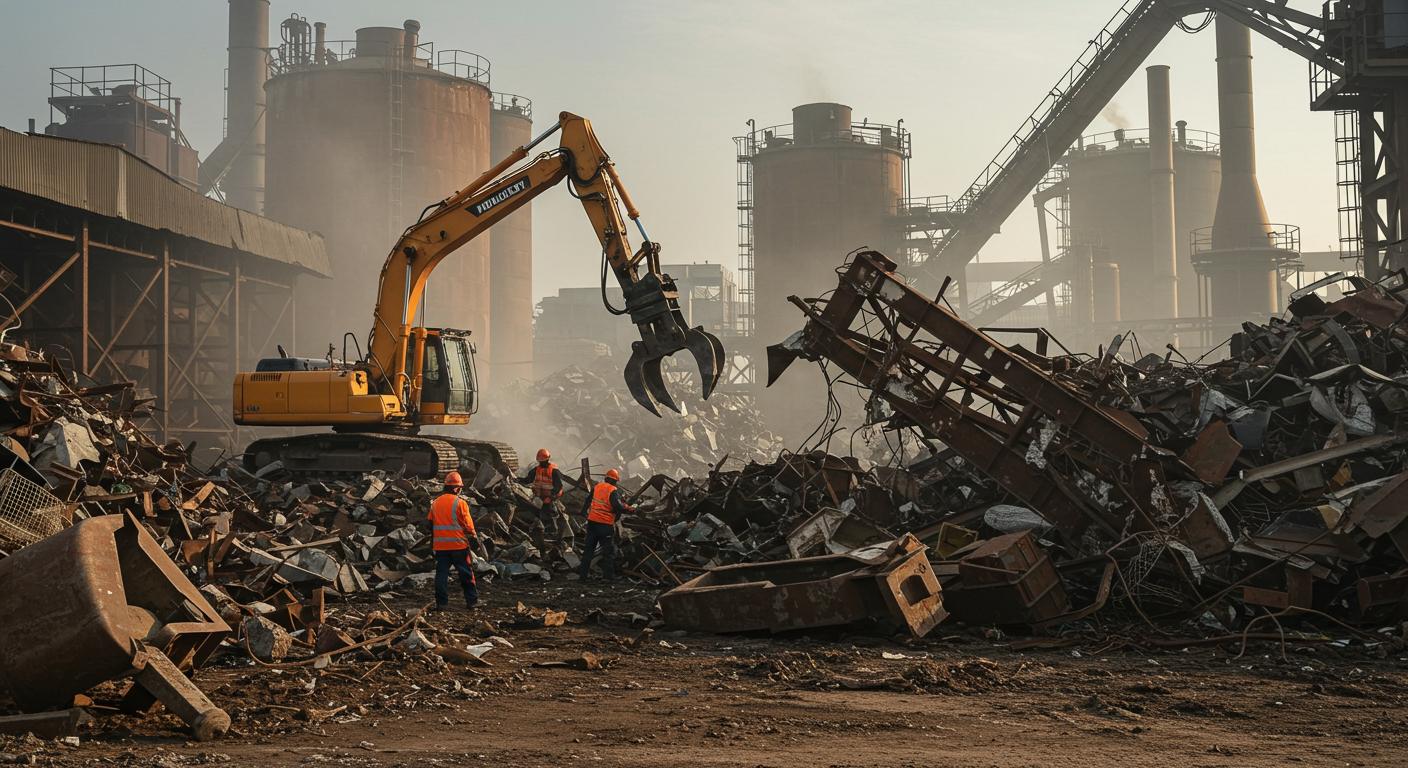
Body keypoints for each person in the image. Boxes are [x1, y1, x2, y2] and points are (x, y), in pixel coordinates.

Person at [427, 470, 479, 611]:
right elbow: (468, 526)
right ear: (456, 488)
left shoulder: (435, 503)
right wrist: (474, 538)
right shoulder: (460, 503)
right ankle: (472, 602)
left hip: (441, 547)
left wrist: (432, 544)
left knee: (441, 575)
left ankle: (441, 604)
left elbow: (429, 525)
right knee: (466, 574)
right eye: (460, 488)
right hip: (458, 546)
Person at [577, 468, 635, 581]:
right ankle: (608, 577)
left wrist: (584, 512)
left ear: (606, 478)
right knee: (608, 552)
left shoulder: (597, 487)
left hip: (592, 523)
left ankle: (582, 576)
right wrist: (629, 509)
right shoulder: (613, 490)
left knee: (588, 550)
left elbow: (588, 500)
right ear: (615, 481)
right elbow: (617, 506)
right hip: (604, 525)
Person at [517, 448, 572, 544]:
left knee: (549, 514)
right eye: (540, 461)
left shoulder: (554, 471)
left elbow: (558, 487)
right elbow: (528, 480)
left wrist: (551, 497)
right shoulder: (536, 470)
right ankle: (541, 531)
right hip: (539, 496)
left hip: (550, 497)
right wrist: (517, 480)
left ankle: (552, 534)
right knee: (536, 512)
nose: (541, 463)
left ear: (547, 459)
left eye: (543, 461)